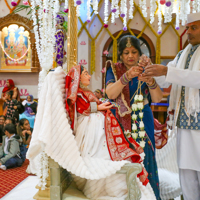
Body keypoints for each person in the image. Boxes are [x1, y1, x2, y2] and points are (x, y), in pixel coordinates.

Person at [65, 65, 156, 199]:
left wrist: (101, 105)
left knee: (106, 147)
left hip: (98, 124)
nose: (89, 76)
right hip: (90, 128)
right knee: (96, 150)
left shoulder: (86, 92)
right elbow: (81, 108)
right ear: (77, 78)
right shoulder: (79, 94)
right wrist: (98, 107)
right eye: (85, 74)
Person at [141, 12, 200, 200]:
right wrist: (149, 68)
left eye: (193, 28)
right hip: (184, 123)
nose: (188, 32)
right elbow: (166, 79)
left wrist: (167, 70)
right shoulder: (183, 54)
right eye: (187, 27)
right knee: (186, 172)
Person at [105, 35, 163, 199]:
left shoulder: (146, 69)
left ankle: (149, 196)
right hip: (121, 121)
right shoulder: (114, 70)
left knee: (146, 157)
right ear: (121, 56)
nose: (130, 56)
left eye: (134, 52)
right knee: (124, 161)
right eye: (126, 52)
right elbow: (110, 93)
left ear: (139, 54)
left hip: (143, 119)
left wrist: (150, 81)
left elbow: (157, 98)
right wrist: (126, 77)